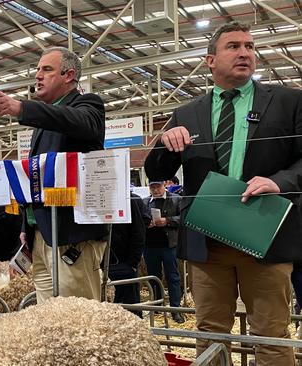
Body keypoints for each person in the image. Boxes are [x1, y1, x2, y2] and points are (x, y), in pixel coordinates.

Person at [144, 22, 302, 364]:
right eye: (233, 46)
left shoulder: (289, 101)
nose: (245, 52)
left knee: (272, 335)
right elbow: (156, 173)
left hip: (264, 235)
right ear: (210, 61)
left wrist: (282, 182)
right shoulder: (186, 113)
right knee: (209, 331)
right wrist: (166, 146)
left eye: (249, 46)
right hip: (207, 242)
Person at [0, 46, 107, 302]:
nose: (38, 76)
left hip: (71, 235)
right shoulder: (42, 125)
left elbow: (76, 122)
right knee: (49, 314)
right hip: (41, 234)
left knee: (76, 316)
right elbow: (36, 177)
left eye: (47, 69)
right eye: (37, 70)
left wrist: (23, 109)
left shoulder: (88, 105)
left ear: (69, 75)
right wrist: (27, 225)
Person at [142, 181, 184, 323]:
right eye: (152, 187)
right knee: (154, 277)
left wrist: (167, 221)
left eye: (158, 186)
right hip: (150, 246)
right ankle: (158, 306)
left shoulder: (176, 199)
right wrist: (147, 224)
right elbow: (140, 220)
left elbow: (183, 218)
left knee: (173, 277)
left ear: (164, 186)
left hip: (169, 246)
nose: (155, 190)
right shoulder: (145, 202)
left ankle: (175, 310)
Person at [107, 192, 145, 317]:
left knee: (130, 308)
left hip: (124, 263)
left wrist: (132, 263)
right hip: (101, 265)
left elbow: (138, 232)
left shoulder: (129, 198)